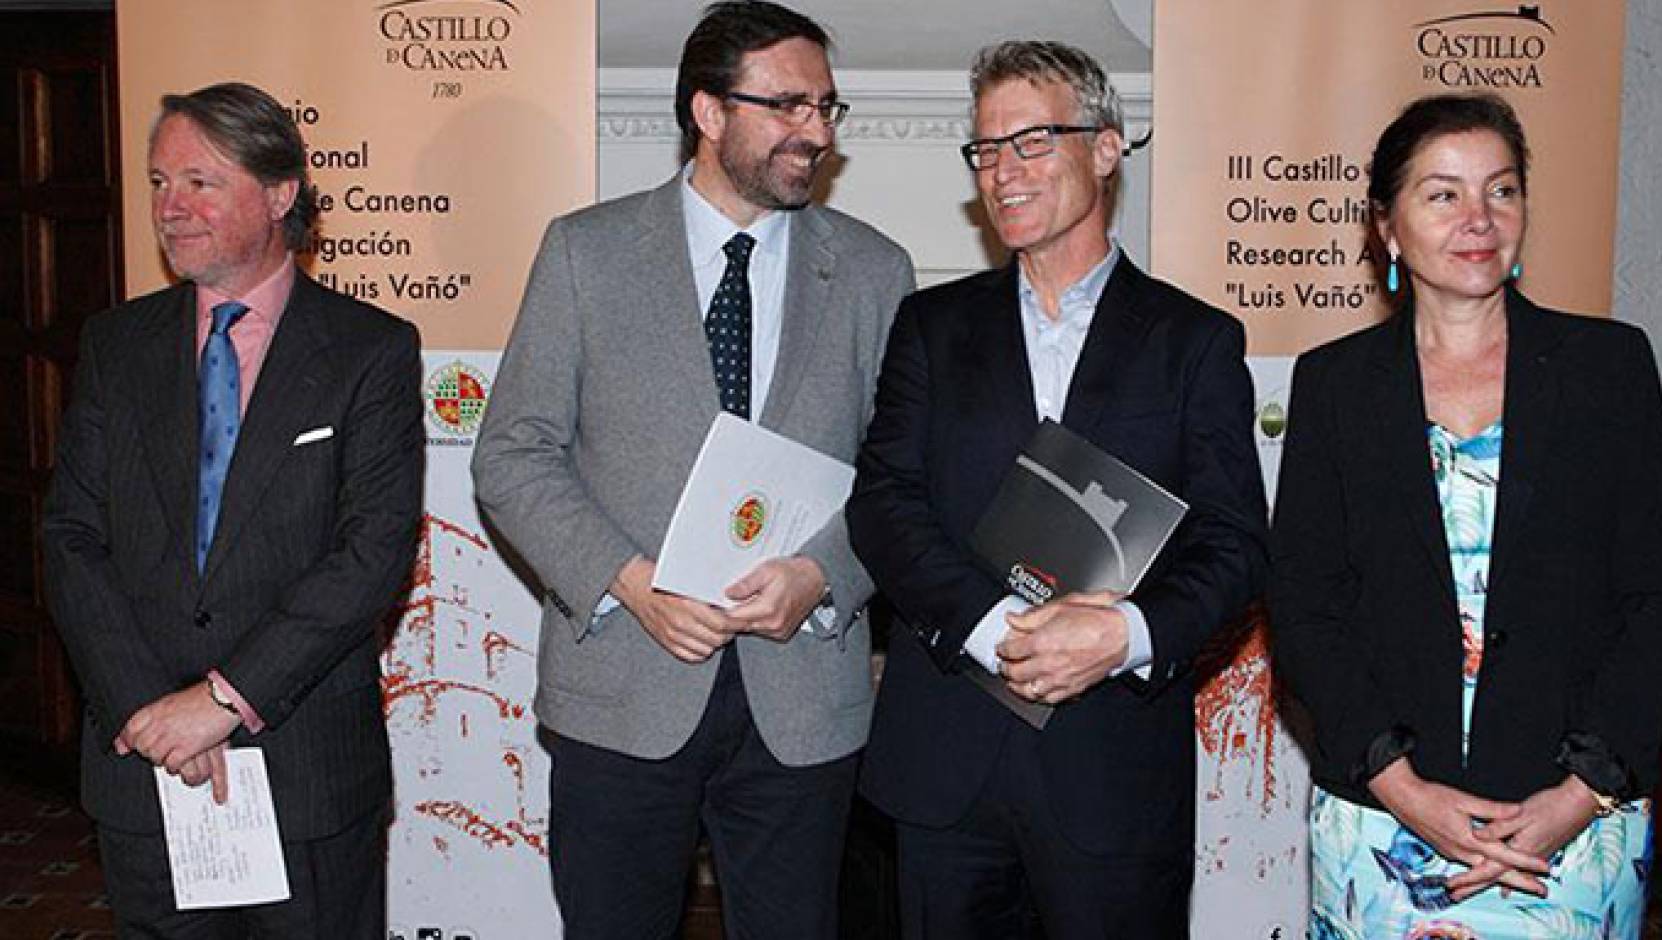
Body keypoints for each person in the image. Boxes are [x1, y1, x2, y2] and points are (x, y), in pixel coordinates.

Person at [470, 2, 915, 935]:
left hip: (803, 696)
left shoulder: (875, 270)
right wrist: (632, 584)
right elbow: (513, 453)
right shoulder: (584, 253)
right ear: (708, 113)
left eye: (828, 109)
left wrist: (823, 575)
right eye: (788, 105)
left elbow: (902, 473)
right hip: (622, 689)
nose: (816, 133)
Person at [847, 40, 1268, 938]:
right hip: (947, 767)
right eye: (987, 150)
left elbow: (1234, 543)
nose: (1003, 173)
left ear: (1106, 149)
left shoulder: (1195, 341)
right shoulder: (930, 325)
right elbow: (884, 502)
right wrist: (991, 625)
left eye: (1032, 142)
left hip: (1111, 772)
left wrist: (1123, 635)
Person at [1269, 93, 1662, 937]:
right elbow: (1308, 607)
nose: (1479, 219)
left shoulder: (1611, 369)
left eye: (1502, 190)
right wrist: (1405, 792)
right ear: (1385, 225)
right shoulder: (1334, 385)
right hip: (1383, 827)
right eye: (1443, 193)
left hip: (1575, 832)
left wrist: (1581, 792)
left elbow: (1659, 598)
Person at [42, 82, 423, 936]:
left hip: (306, 776)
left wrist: (222, 698)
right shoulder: (116, 344)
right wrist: (155, 713)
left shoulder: (371, 350)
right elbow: (71, 539)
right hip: (146, 769)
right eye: (157, 182)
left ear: (280, 194)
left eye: (200, 182)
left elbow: (371, 554)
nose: (169, 207)